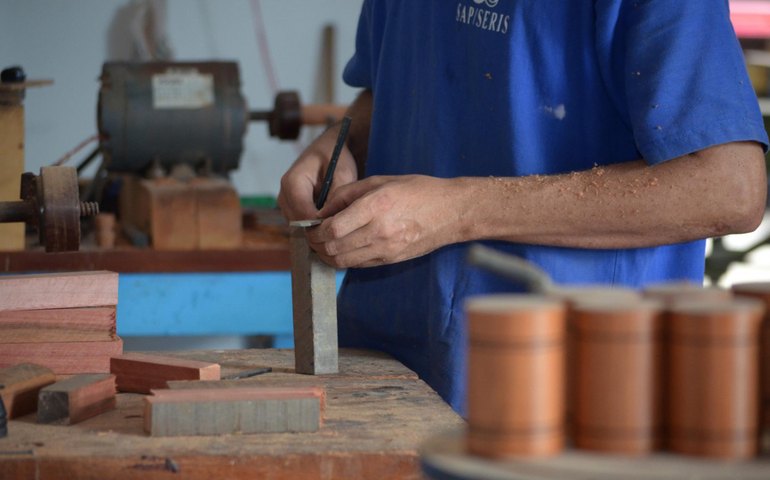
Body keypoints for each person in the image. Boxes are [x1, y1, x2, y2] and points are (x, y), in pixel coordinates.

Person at [278, 1, 769, 414]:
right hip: (386, 364)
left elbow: (728, 188)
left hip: (572, 388)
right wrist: (340, 146)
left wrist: (460, 209)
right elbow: (389, 84)